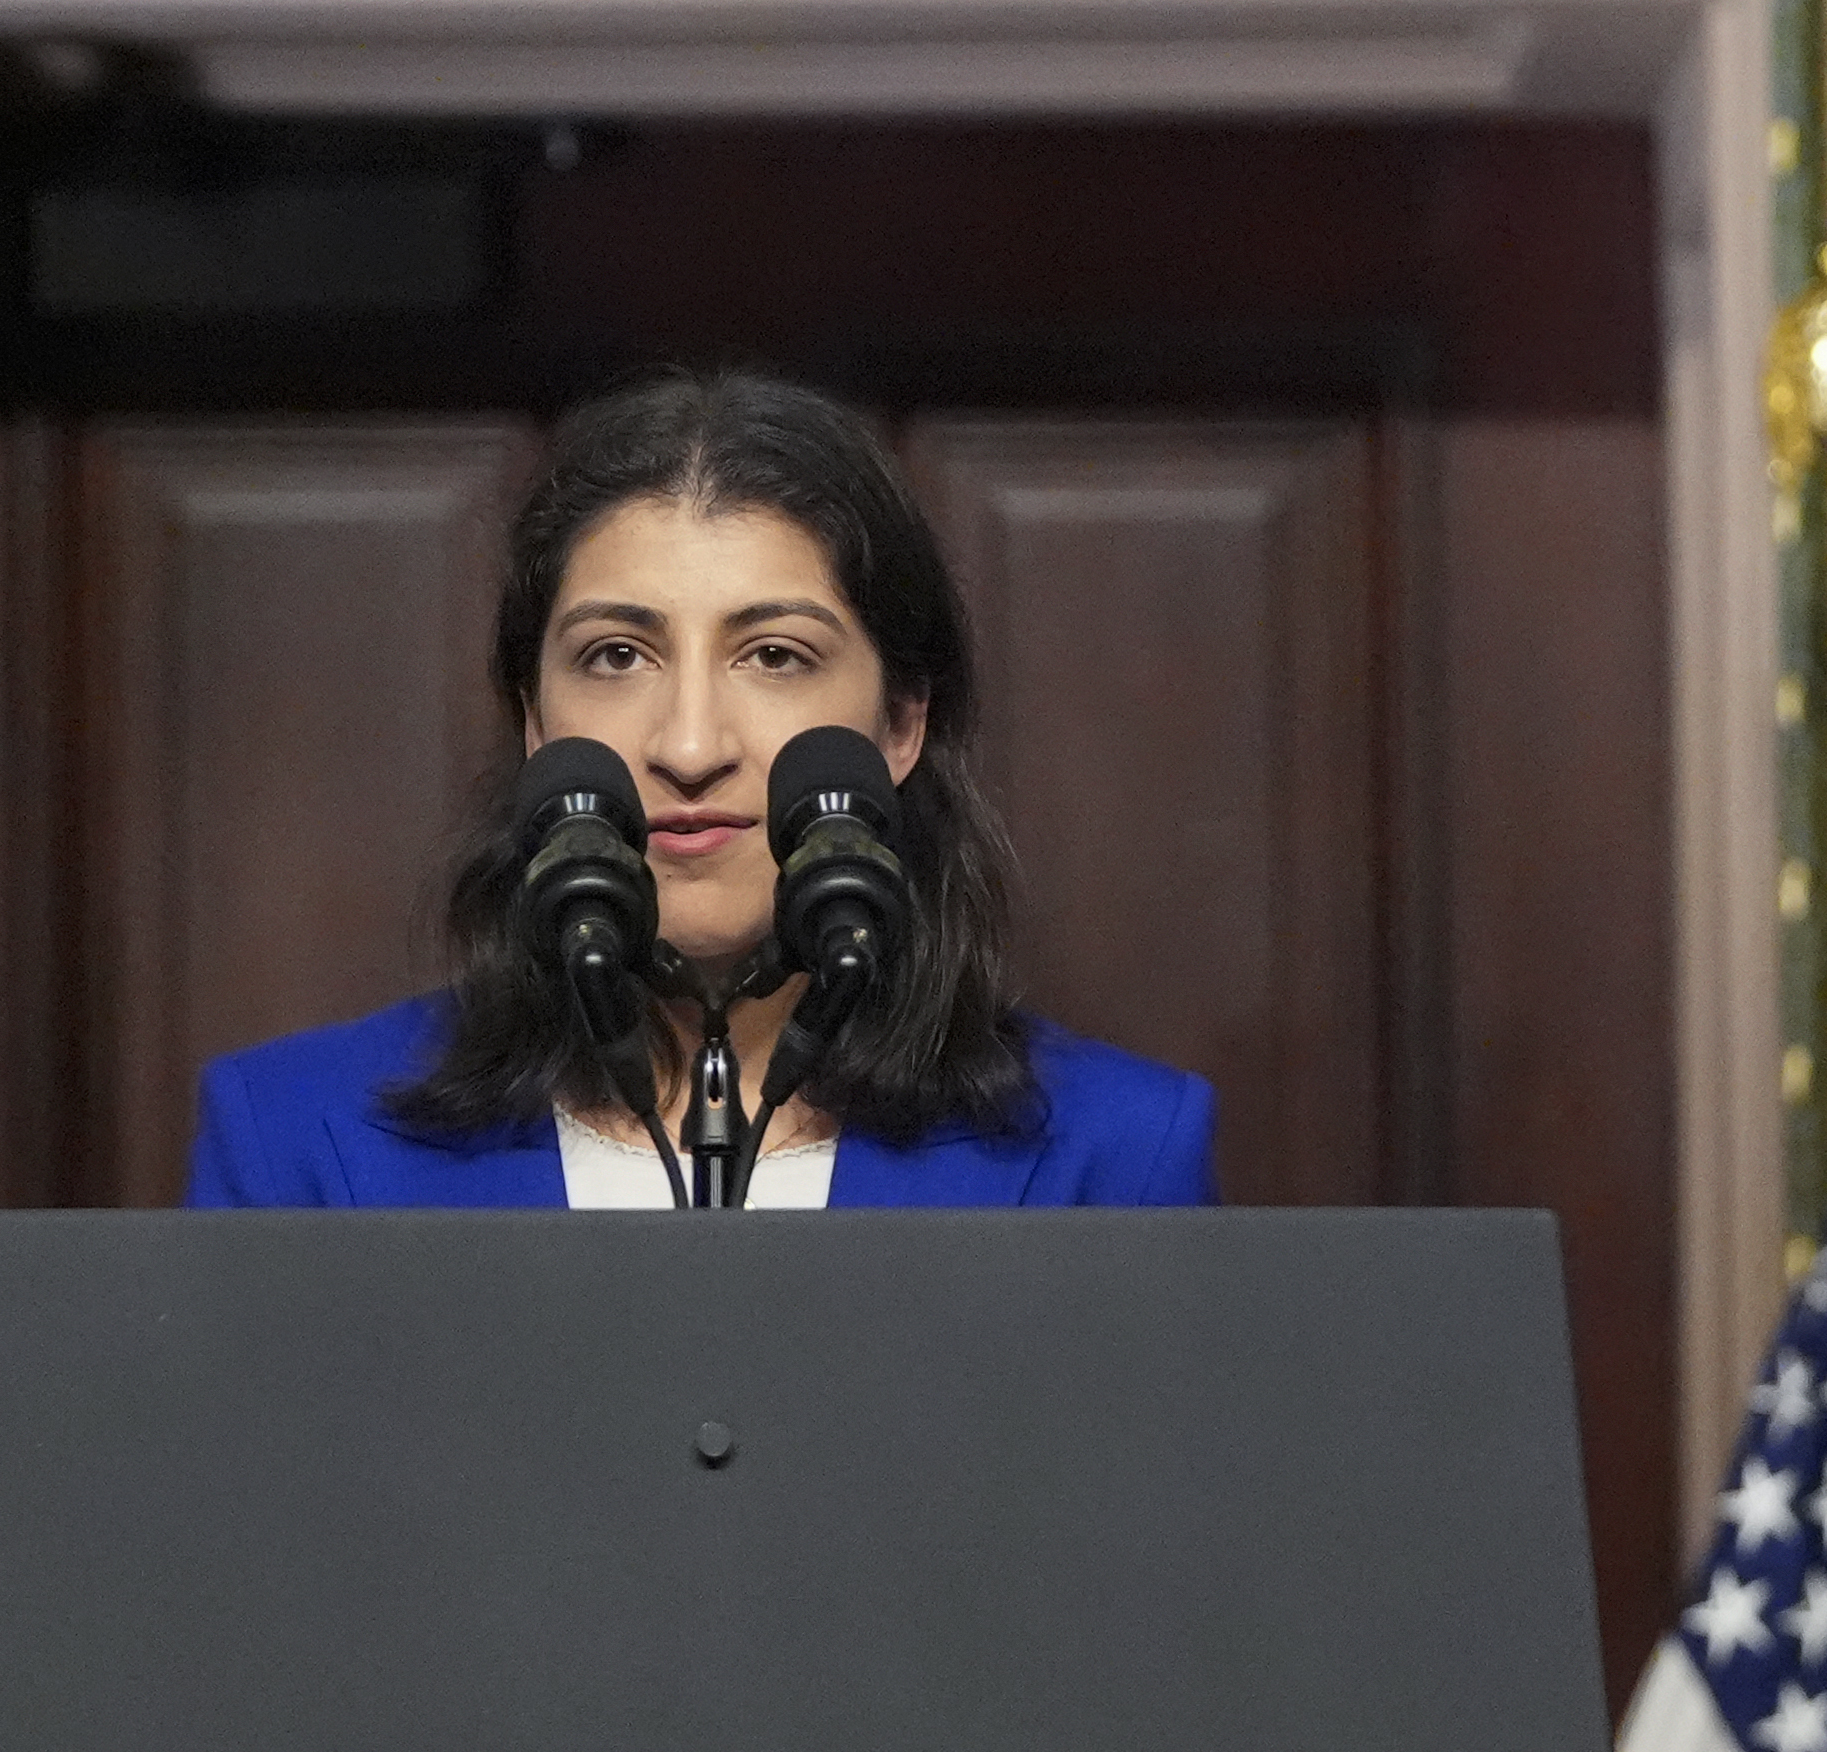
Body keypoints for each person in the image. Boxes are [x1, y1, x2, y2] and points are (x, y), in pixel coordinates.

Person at [182, 371, 1219, 1209]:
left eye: (773, 655)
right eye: (618, 655)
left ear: (901, 723)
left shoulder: (1114, 1156)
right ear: (536, 722)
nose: (687, 744)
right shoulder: (293, 1144)